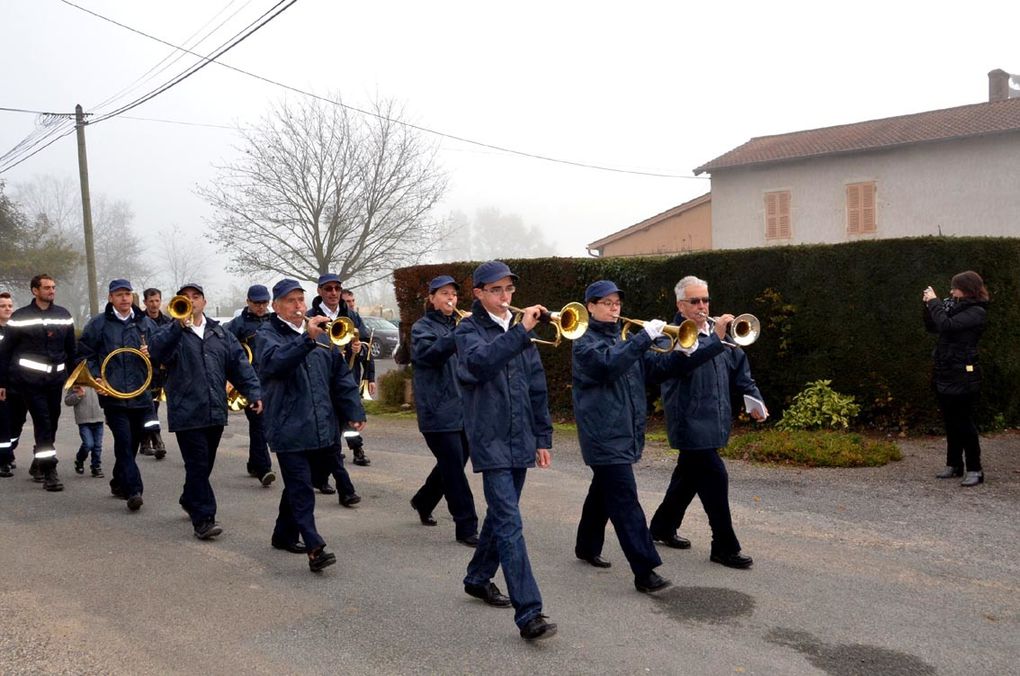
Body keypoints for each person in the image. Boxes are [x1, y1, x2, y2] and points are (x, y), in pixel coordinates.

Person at [572, 280, 727, 593]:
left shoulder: (624, 337)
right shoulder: (583, 342)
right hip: (603, 433)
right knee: (625, 500)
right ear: (590, 306)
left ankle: (586, 546)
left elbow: (661, 369)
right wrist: (643, 338)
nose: (614, 308)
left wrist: (703, 347)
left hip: (625, 431)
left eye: (617, 303)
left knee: (604, 488)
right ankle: (645, 570)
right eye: (606, 303)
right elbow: (607, 367)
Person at [455, 260, 557, 642]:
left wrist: (543, 437)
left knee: (500, 517)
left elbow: (536, 387)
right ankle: (529, 612)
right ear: (479, 293)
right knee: (511, 524)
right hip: (489, 438)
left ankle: (478, 577)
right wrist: (521, 332)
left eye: (509, 290)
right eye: (496, 290)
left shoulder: (520, 335)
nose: (505, 297)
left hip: (520, 438)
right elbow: (479, 365)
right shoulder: (467, 331)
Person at [648, 275, 767, 570]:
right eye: (695, 301)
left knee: (688, 478)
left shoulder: (719, 333)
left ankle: (662, 526)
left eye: (705, 300)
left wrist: (754, 399)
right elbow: (672, 366)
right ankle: (724, 546)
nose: (702, 306)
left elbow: (740, 368)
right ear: (680, 305)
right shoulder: (670, 335)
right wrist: (715, 340)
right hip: (688, 419)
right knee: (715, 477)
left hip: (716, 418)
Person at [257, 278, 366, 572]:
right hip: (287, 423)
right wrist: (305, 339)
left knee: (300, 484)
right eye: (290, 301)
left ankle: (283, 534)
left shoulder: (324, 337)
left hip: (321, 424)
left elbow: (341, 377)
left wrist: (355, 410)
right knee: (302, 488)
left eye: (300, 301)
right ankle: (315, 547)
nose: (298, 306)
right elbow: (275, 364)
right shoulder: (267, 334)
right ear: (276, 306)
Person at [148, 283, 262, 539]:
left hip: (214, 410)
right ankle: (204, 519)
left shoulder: (219, 333)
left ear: (204, 301)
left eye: (196, 297)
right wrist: (178, 326)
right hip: (186, 411)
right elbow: (156, 353)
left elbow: (239, 364)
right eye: (185, 298)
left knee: (204, 466)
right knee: (198, 464)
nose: (191, 301)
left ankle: (190, 498)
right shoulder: (170, 332)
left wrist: (253, 392)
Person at [76, 279, 159, 511]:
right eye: (119, 294)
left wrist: (151, 351)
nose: (124, 298)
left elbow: (163, 352)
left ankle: (117, 480)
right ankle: (134, 490)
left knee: (132, 443)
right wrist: (96, 377)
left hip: (141, 395)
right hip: (112, 395)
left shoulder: (145, 323)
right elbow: (84, 354)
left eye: (127, 294)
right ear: (111, 297)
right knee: (123, 442)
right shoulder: (98, 324)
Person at [409, 275, 479, 546]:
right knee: (453, 469)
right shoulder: (421, 327)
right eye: (444, 293)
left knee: (454, 463)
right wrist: (459, 333)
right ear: (432, 298)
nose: (451, 298)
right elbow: (430, 355)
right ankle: (467, 526)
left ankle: (423, 501)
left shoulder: (461, 326)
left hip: (463, 407)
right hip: (436, 410)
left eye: (454, 293)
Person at [0, 274, 75, 491]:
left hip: (55, 381)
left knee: (53, 421)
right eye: (47, 287)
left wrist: (76, 379)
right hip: (29, 382)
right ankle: (50, 471)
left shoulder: (63, 315)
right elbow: (5, 353)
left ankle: (38, 463)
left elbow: (71, 351)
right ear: (35, 290)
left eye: (53, 287)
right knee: (42, 421)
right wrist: (2, 383)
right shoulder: (20, 317)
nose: (51, 291)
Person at [922, 271, 989, 487]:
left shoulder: (976, 312)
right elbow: (934, 326)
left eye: (955, 287)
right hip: (946, 370)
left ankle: (975, 469)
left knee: (964, 422)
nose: (951, 291)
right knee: (951, 421)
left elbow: (946, 325)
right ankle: (954, 465)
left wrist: (934, 302)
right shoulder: (953, 307)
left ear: (968, 288)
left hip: (964, 374)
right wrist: (928, 306)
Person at [307, 273, 372, 480]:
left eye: (337, 288)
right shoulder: (311, 316)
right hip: (323, 380)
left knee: (349, 419)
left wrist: (358, 350)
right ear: (319, 291)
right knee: (328, 427)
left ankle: (356, 449)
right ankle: (324, 476)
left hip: (348, 377)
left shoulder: (351, 316)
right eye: (328, 289)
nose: (333, 292)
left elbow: (365, 346)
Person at [224, 284, 276, 487]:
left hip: (271, 380)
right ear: (248, 302)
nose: (261, 306)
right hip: (247, 382)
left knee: (263, 424)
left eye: (264, 302)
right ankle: (264, 469)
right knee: (259, 423)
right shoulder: (236, 325)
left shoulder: (274, 321)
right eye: (257, 303)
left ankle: (254, 463)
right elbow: (225, 351)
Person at [139, 287, 171, 459]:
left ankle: (144, 443)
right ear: (145, 302)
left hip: (162, 370)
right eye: (150, 301)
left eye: (157, 300)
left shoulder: (167, 321)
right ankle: (157, 440)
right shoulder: (140, 321)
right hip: (145, 370)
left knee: (154, 406)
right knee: (149, 405)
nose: (154, 304)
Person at [0, 291, 21, 478]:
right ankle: (3, 460)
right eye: (3, 306)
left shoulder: (17, 331)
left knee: (17, 423)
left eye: (9, 306)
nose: (7, 309)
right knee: (3, 424)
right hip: (1, 387)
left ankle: (9, 450)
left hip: (19, 384)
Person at [64, 384, 104, 478]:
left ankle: (96, 466)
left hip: (99, 418)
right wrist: (78, 395)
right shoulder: (76, 383)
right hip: (84, 420)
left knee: (98, 446)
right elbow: (67, 401)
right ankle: (79, 460)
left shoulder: (97, 381)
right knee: (88, 444)